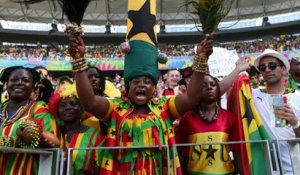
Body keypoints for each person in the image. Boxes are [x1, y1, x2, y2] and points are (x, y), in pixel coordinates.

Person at [176, 74, 240, 175]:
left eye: (213, 84)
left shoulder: (229, 117)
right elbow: (178, 150)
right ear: (196, 91)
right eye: (203, 85)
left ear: (218, 90)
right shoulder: (187, 118)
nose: (209, 87)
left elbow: (237, 150)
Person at [0, 66, 58, 174]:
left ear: (33, 87)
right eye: (14, 80)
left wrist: (33, 137)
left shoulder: (39, 109)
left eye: (26, 80)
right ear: (6, 84)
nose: (19, 83)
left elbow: (52, 141)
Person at [252, 49, 300, 174]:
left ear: (283, 69)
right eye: (262, 67)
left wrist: (295, 123)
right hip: (267, 168)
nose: (267, 70)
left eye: (272, 66)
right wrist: (237, 71)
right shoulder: (252, 96)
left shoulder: (298, 97)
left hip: (294, 168)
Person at [48, 82, 105, 175]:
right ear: (57, 111)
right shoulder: (52, 133)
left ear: (82, 108)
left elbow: (99, 168)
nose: (68, 108)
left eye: (73, 103)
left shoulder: (96, 136)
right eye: (63, 105)